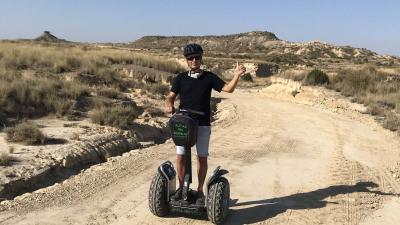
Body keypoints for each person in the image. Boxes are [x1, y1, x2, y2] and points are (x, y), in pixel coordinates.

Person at [165, 43, 246, 204]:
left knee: (201, 157)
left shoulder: (209, 77)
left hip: (202, 123)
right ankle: (183, 188)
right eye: (190, 58)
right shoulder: (180, 78)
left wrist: (236, 75)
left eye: (197, 57)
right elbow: (171, 95)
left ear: (201, 58)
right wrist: (168, 103)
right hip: (183, 123)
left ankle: (200, 191)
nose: (194, 60)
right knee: (180, 156)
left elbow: (228, 89)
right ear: (186, 60)